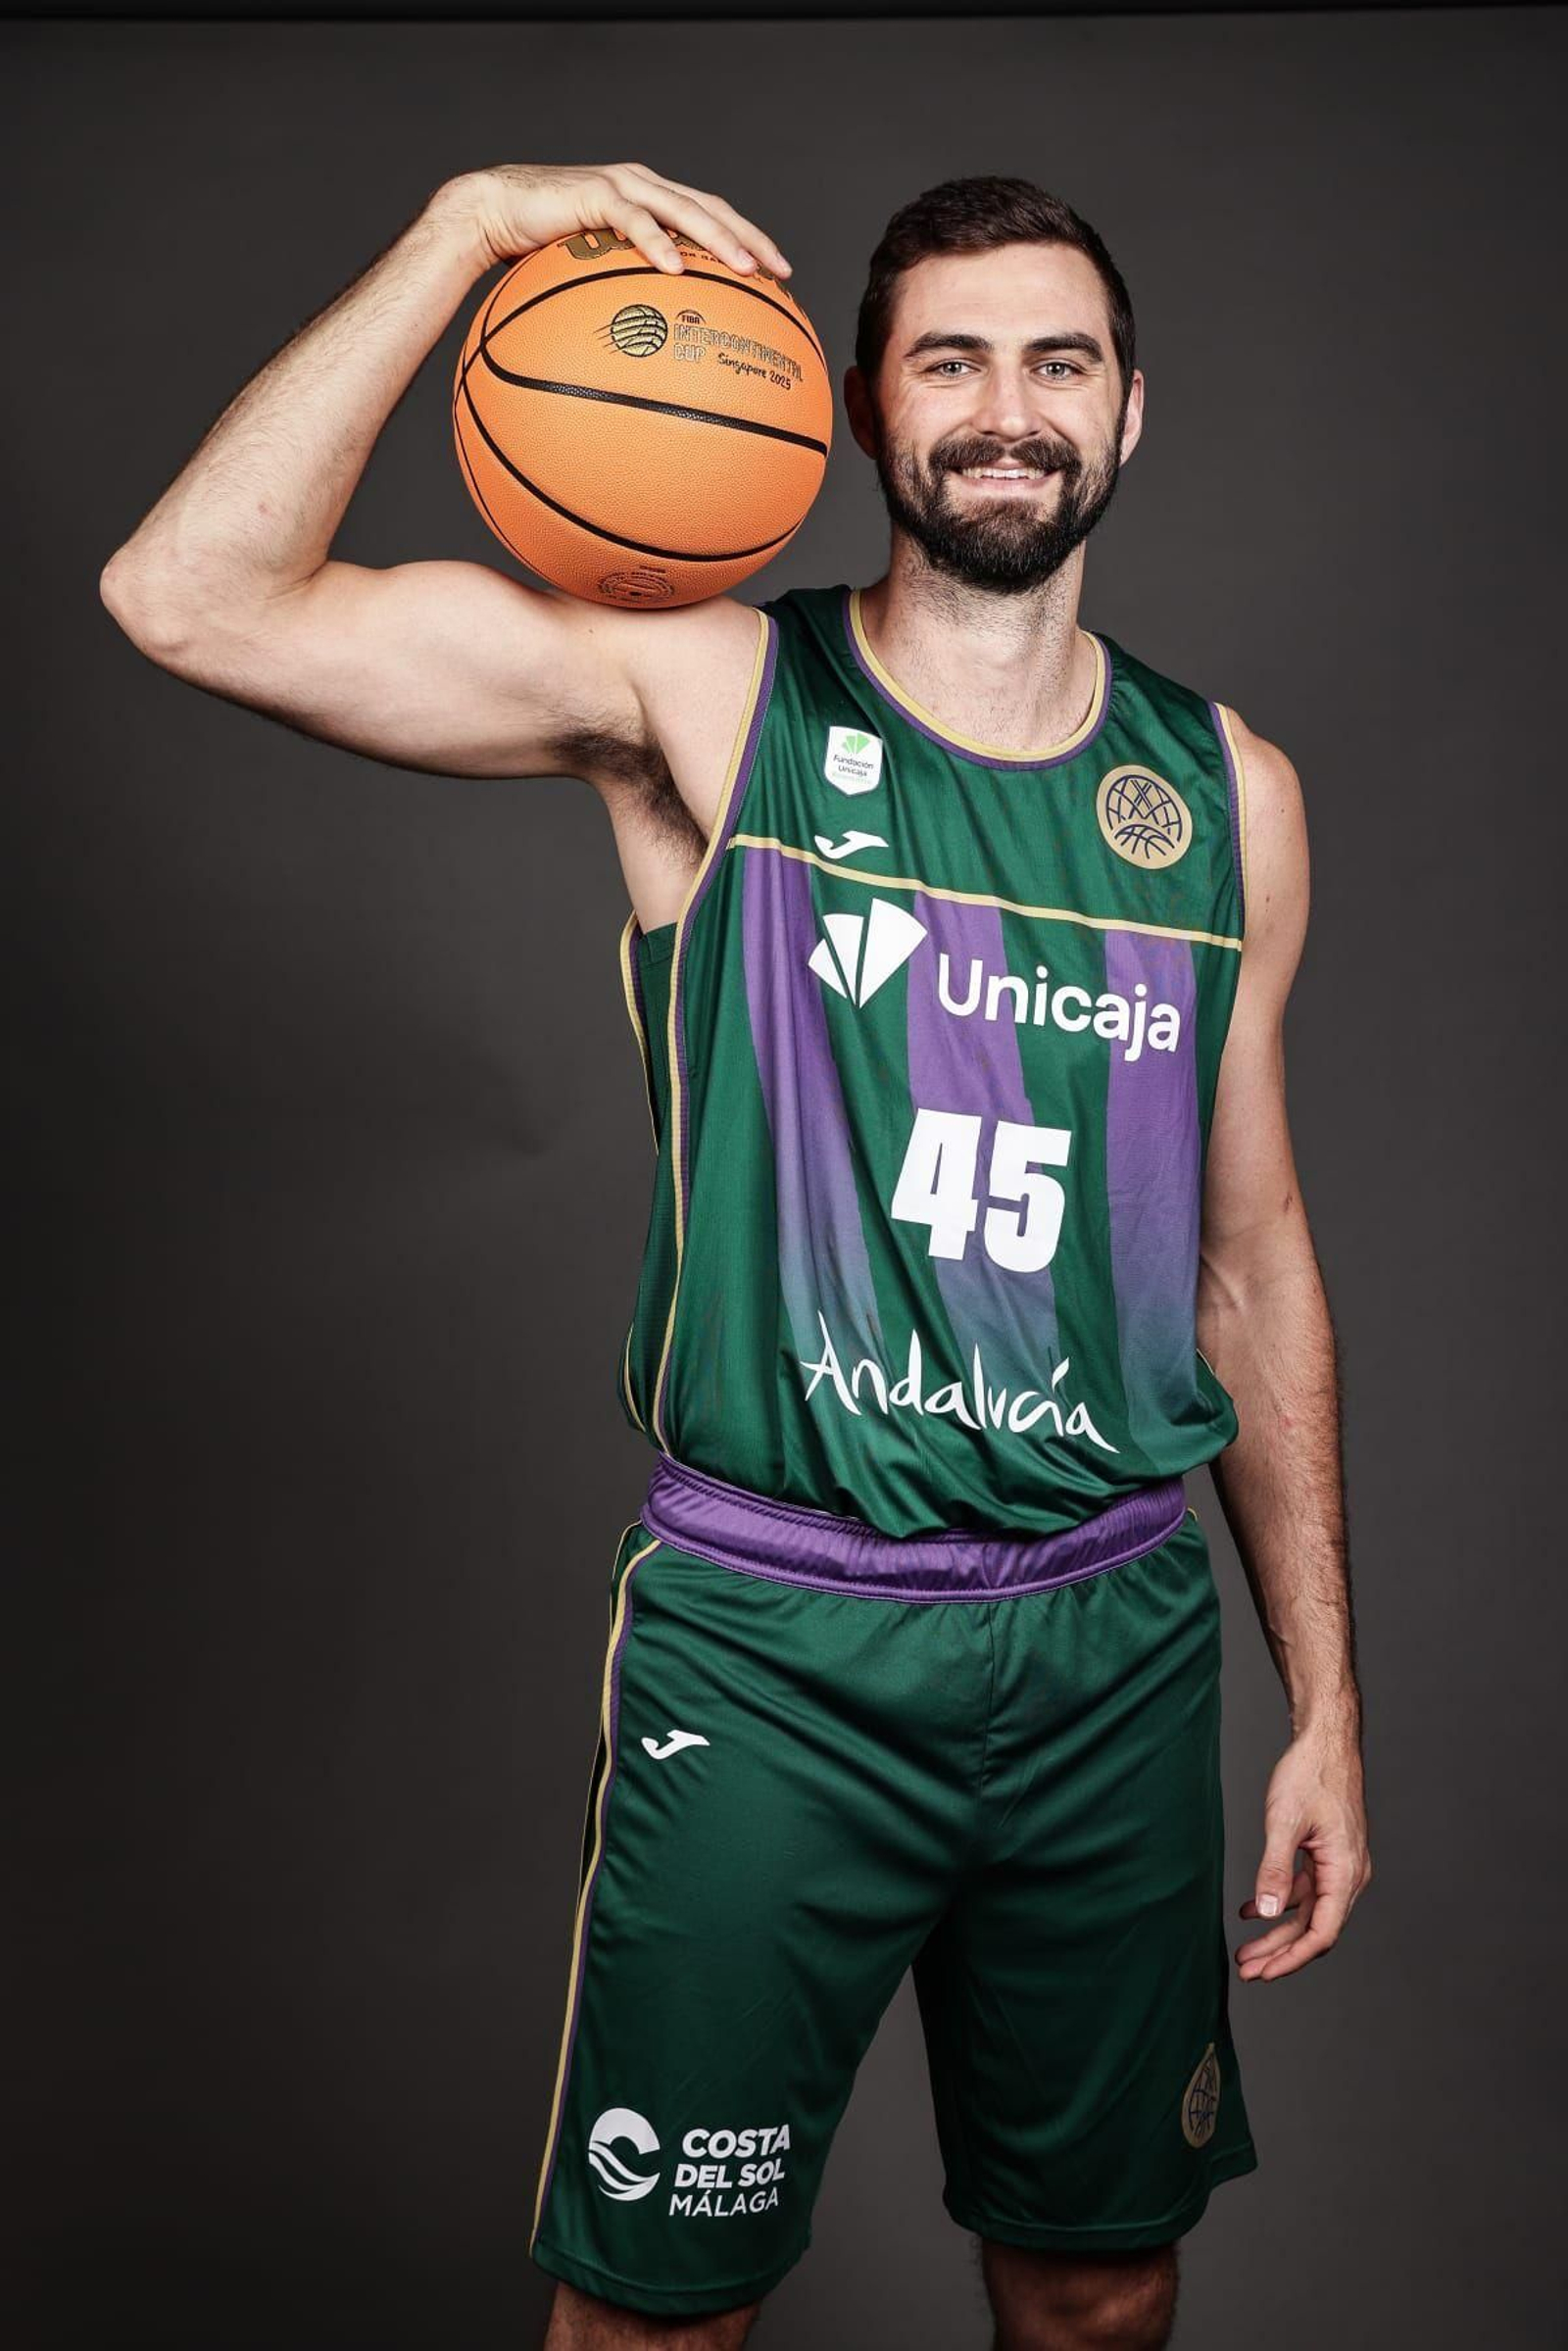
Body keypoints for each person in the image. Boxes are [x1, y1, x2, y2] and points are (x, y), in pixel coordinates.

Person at [101, 162, 1371, 2351]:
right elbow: (189, 597)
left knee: (1096, 2289)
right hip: (781, 1649)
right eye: (948, 361)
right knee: (656, 2320)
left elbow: (1242, 1266)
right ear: (861, 411)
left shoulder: (1216, 791)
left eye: (1054, 361)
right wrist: (463, 229)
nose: (1004, 407)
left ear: (1127, 413)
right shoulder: (704, 695)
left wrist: (1326, 1702)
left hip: (1110, 1651)